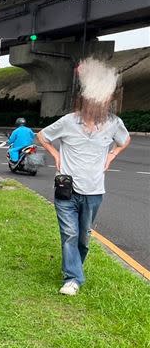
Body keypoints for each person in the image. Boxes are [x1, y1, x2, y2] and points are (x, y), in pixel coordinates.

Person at [36, 58, 131, 296]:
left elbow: (125, 139)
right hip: (67, 190)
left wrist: (113, 155)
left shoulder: (113, 123)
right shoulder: (69, 121)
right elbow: (42, 136)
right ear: (86, 100)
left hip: (94, 192)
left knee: (84, 239)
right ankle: (73, 278)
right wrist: (55, 154)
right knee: (70, 234)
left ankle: (73, 267)